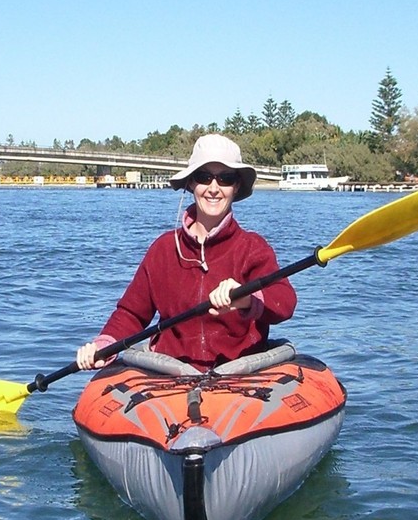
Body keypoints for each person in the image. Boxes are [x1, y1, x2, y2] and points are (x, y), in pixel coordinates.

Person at [76, 134, 297, 373]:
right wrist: (104, 345)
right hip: (171, 377)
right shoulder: (162, 249)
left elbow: (284, 302)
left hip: (239, 375)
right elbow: (132, 313)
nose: (214, 188)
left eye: (225, 178)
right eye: (204, 177)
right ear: (191, 183)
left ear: (236, 186)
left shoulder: (253, 247)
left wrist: (247, 299)